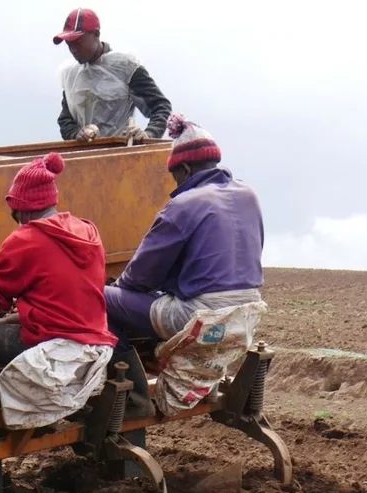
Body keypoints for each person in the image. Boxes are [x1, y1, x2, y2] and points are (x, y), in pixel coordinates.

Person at [0, 152, 116, 448]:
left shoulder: (25, 240)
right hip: (92, 342)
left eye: (14, 213)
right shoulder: (87, 230)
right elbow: (54, 298)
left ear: (22, 208)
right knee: (6, 321)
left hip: (53, 344)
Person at [104, 115, 264, 409]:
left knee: (100, 298)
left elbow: (140, 276)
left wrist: (116, 286)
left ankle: (133, 393)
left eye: (175, 176)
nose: (175, 183)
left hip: (201, 313)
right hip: (247, 309)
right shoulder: (248, 195)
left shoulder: (183, 204)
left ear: (186, 169)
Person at [53, 9, 171, 143]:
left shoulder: (125, 66)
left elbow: (161, 107)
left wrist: (148, 134)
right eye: (69, 44)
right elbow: (65, 119)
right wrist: (76, 134)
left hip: (121, 155)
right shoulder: (71, 74)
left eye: (78, 42)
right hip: (85, 156)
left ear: (96, 34)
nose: (73, 50)